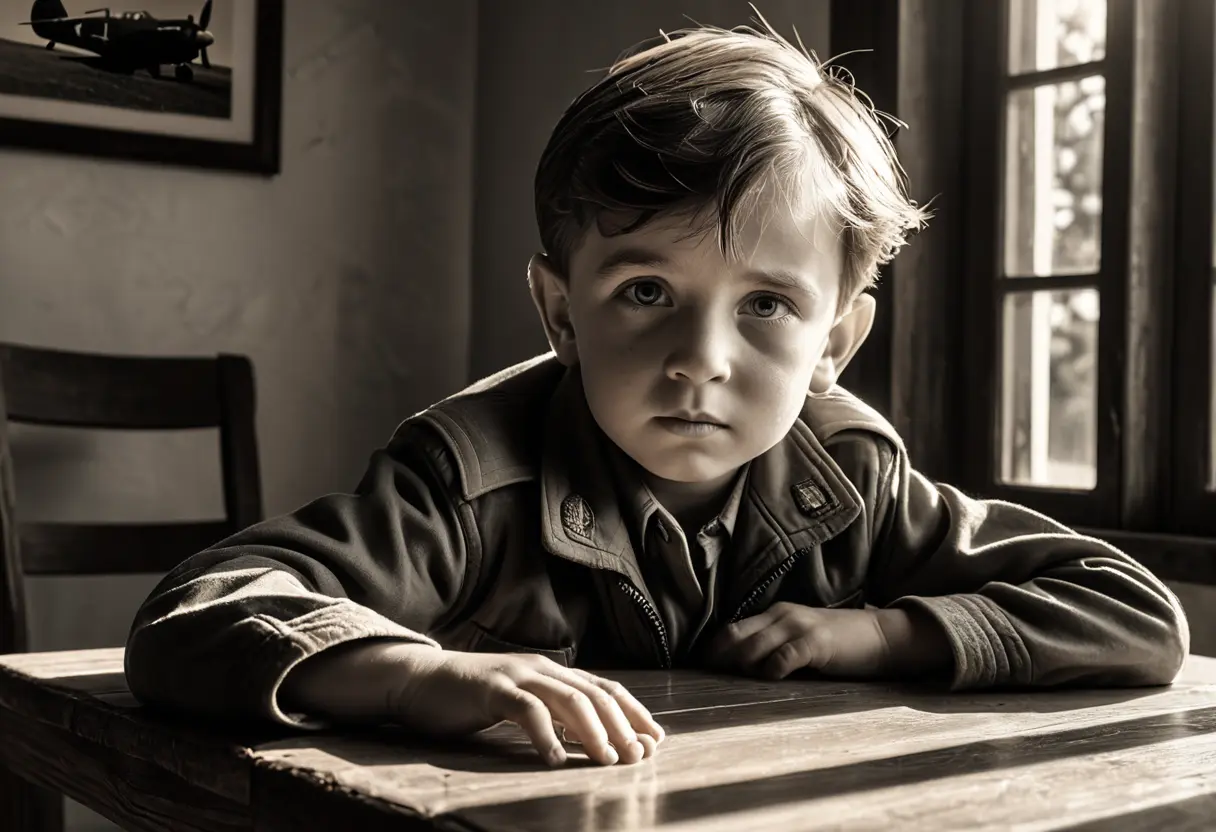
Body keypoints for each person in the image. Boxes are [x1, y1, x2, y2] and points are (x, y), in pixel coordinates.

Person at [124, 15, 1190, 770]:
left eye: (767, 305)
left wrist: (877, 635)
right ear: (560, 314)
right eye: (645, 291)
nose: (701, 358)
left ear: (837, 339)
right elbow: (195, 613)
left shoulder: (851, 478)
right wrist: (408, 674)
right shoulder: (468, 475)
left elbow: (1134, 614)